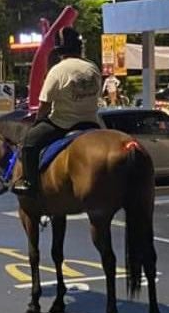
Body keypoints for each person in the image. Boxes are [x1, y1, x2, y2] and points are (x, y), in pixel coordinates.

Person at [13, 27, 102, 195]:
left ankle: (30, 184)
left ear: (60, 51)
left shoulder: (58, 70)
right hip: (92, 122)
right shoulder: (93, 68)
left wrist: (38, 122)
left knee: (29, 142)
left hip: (63, 124)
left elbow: (44, 105)